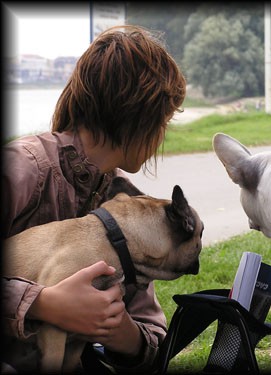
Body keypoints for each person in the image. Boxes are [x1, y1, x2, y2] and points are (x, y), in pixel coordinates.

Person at [1, 25, 186, 373]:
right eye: (164, 120)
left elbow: (152, 336)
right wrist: (42, 304)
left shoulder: (127, 204)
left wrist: (119, 329)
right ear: (140, 116)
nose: (162, 135)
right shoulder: (21, 170)